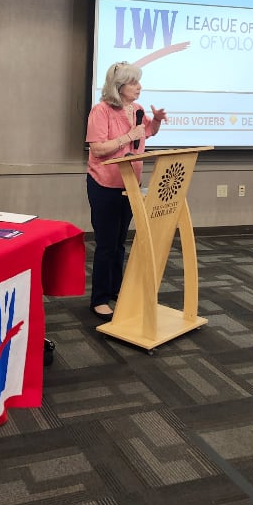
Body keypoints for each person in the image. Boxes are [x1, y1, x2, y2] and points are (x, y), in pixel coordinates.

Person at [85, 61, 167, 320]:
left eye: (138, 81)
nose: (139, 87)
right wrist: (127, 136)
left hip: (130, 185)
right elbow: (97, 148)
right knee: (106, 244)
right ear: (118, 86)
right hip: (104, 185)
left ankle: (116, 289)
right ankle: (98, 299)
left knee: (120, 243)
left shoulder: (139, 110)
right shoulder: (101, 111)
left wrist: (157, 123)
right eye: (133, 82)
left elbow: (145, 135)